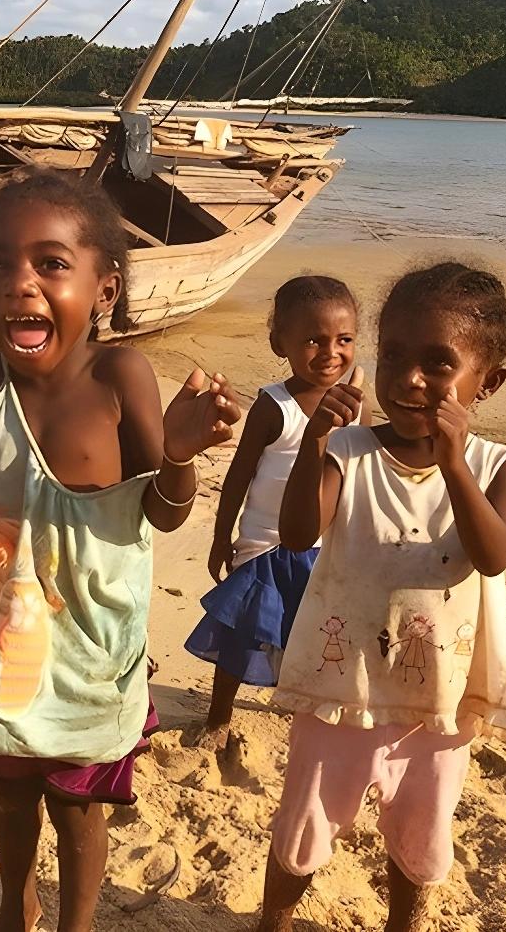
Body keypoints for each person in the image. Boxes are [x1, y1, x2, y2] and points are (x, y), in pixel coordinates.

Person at [0, 168, 241, 932]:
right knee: (9, 792)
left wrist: (178, 454)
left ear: (104, 289)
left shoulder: (120, 376)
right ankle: (16, 904)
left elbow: (166, 515)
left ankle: (75, 922)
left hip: (91, 652)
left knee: (78, 805)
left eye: (51, 263)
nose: (20, 284)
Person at [257, 262, 506, 932]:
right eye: (398, 356)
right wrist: (315, 438)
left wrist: (453, 462)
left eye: (438, 364)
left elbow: (491, 552)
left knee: (419, 839)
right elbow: (297, 533)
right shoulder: (347, 452)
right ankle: (273, 921)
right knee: (303, 829)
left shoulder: (501, 465)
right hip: (339, 686)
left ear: (485, 382)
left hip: (435, 705)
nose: (412, 378)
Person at [183, 276, 361, 747]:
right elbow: (239, 476)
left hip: (323, 549)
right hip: (264, 546)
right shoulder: (274, 405)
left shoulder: (351, 407)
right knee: (242, 633)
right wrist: (222, 538)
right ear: (279, 342)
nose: (330, 352)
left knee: (316, 634)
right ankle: (219, 718)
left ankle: (307, 710)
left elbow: (349, 482)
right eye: (313, 340)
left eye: (344, 340)